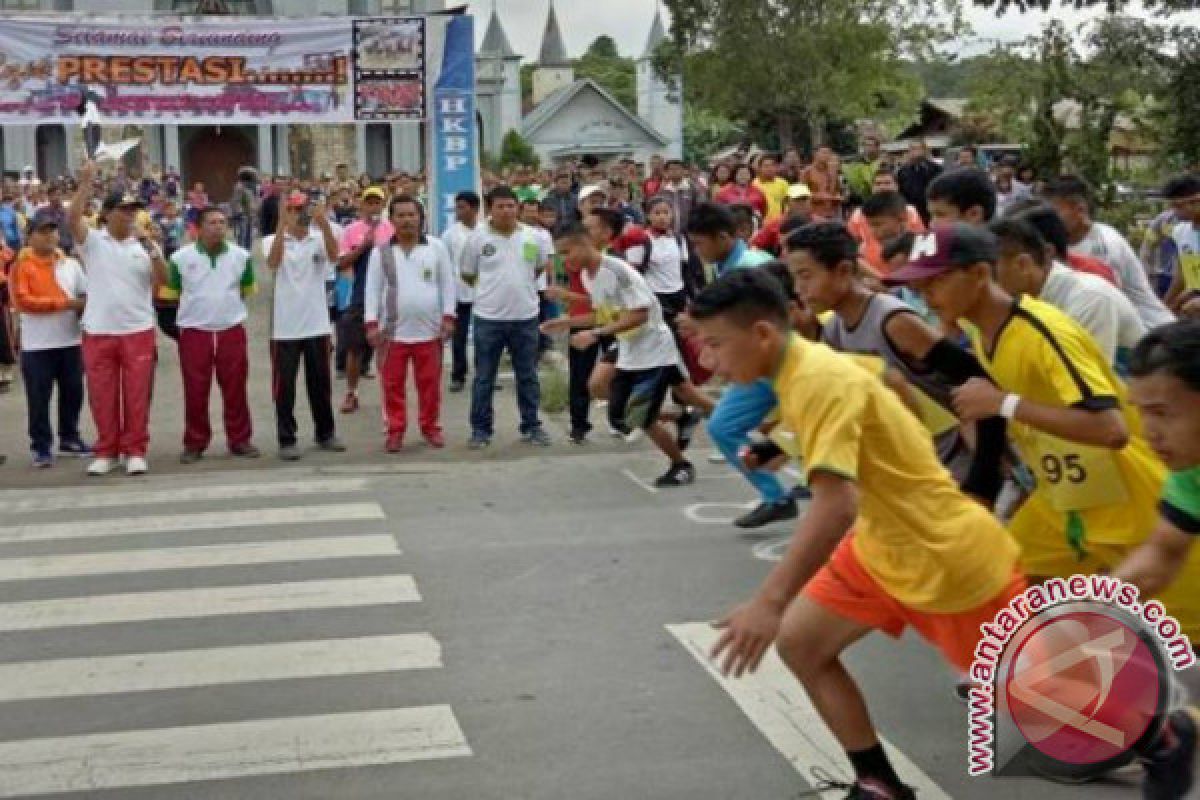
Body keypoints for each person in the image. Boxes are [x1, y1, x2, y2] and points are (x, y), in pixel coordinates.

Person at [692, 268, 1024, 800]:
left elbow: (835, 503)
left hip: (942, 553)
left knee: (1039, 690)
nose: (709, 362)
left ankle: (1162, 734)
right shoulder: (806, 368)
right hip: (880, 547)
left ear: (761, 334)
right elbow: (882, 379)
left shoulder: (817, 378)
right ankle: (879, 784)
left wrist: (769, 601)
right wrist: (791, 444)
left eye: (714, 344)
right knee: (802, 646)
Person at [890, 223, 1200, 641]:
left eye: (937, 280)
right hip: (1065, 499)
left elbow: (1111, 429)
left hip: (1126, 496)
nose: (926, 294)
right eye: (921, 284)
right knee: (1005, 576)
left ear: (981, 275)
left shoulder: (1042, 332)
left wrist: (1004, 404)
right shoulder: (984, 336)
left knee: (1181, 631)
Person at [788, 222, 1006, 502]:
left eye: (805, 276)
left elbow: (975, 379)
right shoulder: (834, 329)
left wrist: (983, 479)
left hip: (956, 468)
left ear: (843, 271)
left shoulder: (893, 321)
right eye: (794, 278)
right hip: (914, 469)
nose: (798, 288)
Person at [543, 223, 696, 486]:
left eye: (567, 253)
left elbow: (639, 314)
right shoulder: (591, 277)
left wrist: (596, 334)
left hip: (653, 348)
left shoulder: (618, 270)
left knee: (642, 417)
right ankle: (680, 416)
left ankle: (681, 464)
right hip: (629, 347)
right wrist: (566, 323)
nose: (566, 261)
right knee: (610, 402)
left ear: (583, 244)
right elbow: (604, 312)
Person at [687, 202, 797, 528]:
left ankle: (781, 494)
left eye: (700, 243)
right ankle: (781, 492)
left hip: (773, 360)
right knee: (746, 427)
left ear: (723, 237)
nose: (697, 250)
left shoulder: (750, 267)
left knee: (728, 426)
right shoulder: (731, 264)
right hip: (763, 362)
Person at [68, 160, 166, 477]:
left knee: (136, 395)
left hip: (137, 330)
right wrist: (85, 183)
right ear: (107, 214)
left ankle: (135, 450)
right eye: (123, 210)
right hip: (99, 330)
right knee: (102, 395)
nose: (129, 215)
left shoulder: (144, 246)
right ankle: (106, 451)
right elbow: (72, 220)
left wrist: (150, 245)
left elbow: (162, 281)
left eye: (132, 210)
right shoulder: (94, 242)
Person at [459, 186, 554, 449]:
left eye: (511, 206)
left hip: (526, 317)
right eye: (500, 206)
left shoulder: (533, 237)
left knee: (527, 375)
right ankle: (480, 430)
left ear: (518, 208)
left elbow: (537, 269)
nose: (506, 211)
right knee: (484, 377)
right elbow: (468, 274)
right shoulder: (477, 239)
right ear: (490, 209)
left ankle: (532, 426)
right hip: (488, 318)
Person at [164, 206, 259, 463]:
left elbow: (246, 290)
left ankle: (240, 439)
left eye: (222, 222)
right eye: (212, 222)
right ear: (199, 227)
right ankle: (195, 442)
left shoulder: (241, 256)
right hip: (195, 332)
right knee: (195, 390)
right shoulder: (180, 258)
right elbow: (171, 296)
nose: (218, 227)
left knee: (235, 388)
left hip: (231, 330)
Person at [990, 215, 1144, 371]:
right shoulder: (1023, 299)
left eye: (989, 271)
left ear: (1023, 265)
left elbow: (1090, 386)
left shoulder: (1090, 298)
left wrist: (1004, 397)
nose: (983, 281)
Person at [365, 195, 456, 452]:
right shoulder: (380, 252)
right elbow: (372, 290)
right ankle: (395, 430)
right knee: (392, 386)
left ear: (421, 218)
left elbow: (448, 284)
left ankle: (430, 428)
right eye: (401, 216)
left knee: (429, 385)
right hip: (392, 333)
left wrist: (449, 317)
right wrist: (371, 323)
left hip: (429, 331)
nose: (407, 220)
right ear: (391, 220)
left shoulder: (436, 248)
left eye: (412, 215)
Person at [264, 191, 345, 461]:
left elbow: (335, 258)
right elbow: (273, 263)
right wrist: (280, 227)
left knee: (320, 383)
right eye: (293, 209)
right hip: (284, 328)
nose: (300, 215)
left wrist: (323, 225)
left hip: (317, 324)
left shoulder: (319, 239)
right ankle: (286, 438)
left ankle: (325, 432)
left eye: (303, 209)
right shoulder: (271, 241)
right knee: (284, 387)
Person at [9, 209, 90, 467]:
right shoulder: (21, 266)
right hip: (37, 345)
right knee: (39, 398)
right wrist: (67, 304)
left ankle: (69, 437)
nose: (49, 236)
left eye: (52, 231)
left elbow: (85, 295)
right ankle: (41, 446)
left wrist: (83, 309)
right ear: (29, 237)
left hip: (70, 341)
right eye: (42, 232)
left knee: (73, 392)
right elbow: (24, 302)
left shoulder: (71, 264)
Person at [1041, 174, 1174, 329]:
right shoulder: (1059, 244)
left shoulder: (1105, 245)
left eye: (1054, 213)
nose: (1048, 220)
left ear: (1080, 210)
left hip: (1148, 334)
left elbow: (1103, 304)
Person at [336, 187, 394, 413]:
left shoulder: (392, 230)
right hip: (359, 295)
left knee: (388, 350)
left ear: (383, 204)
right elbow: (341, 264)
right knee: (354, 348)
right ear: (362, 205)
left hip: (388, 295)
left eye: (377, 202)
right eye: (369, 202)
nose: (373, 206)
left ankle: (390, 395)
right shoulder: (351, 230)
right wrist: (364, 246)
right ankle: (352, 393)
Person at [443, 190, 481, 393]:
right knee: (459, 337)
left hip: (484, 293)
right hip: (459, 293)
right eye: (457, 207)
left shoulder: (486, 231)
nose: (458, 211)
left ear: (474, 209)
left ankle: (485, 375)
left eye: (462, 207)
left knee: (484, 336)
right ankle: (458, 375)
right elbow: (445, 265)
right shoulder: (450, 235)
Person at [848, 190, 926, 276]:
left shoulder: (921, 251)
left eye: (877, 224)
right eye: (869, 225)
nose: (872, 231)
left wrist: (879, 281)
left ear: (902, 219)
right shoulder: (864, 249)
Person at [1162, 174, 1200, 318]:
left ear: (1196, 201)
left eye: (1178, 206)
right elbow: (1181, 276)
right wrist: (1165, 305)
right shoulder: (1180, 232)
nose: (1174, 212)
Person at [751, 184, 813, 256]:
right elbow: (755, 245)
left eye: (805, 199)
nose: (802, 203)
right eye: (797, 199)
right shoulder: (775, 223)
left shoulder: (819, 223)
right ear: (788, 201)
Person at [896, 139, 942, 224]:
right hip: (911, 212)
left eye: (917, 148)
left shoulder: (935, 169)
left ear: (924, 150)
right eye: (911, 149)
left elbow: (940, 189)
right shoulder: (903, 171)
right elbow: (900, 191)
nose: (914, 152)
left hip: (930, 210)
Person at [660, 159, 702, 236]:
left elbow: (700, 209)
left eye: (677, 169)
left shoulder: (692, 188)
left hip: (689, 231)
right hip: (669, 232)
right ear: (667, 172)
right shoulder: (664, 190)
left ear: (683, 171)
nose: (674, 171)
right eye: (671, 169)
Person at [753, 154, 792, 222]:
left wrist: (785, 217)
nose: (770, 168)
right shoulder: (754, 184)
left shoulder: (783, 183)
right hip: (760, 222)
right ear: (759, 168)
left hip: (779, 222)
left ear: (776, 168)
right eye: (766, 166)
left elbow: (787, 203)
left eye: (772, 165)